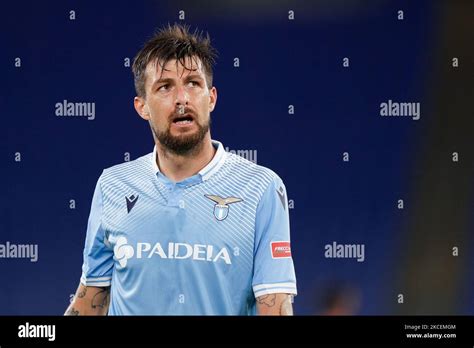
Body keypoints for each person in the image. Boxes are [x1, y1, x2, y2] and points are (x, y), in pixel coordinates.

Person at [65, 23, 297, 315]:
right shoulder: (113, 185)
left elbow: (275, 307)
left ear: (211, 98)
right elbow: (89, 304)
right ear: (142, 106)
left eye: (193, 83)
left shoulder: (261, 188)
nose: (182, 99)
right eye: (165, 87)